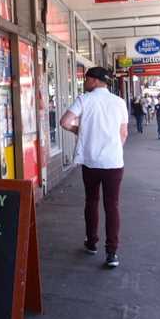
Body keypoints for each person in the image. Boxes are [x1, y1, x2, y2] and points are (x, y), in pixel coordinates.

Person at [60, 67, 129, 268]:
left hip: (90, 162)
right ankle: (112, 253)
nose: (85, 82)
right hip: (114, 162)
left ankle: (91, 243)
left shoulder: (84, 100)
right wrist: (113, 149)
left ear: (95, 81)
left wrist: (79, 131)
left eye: (87, 79)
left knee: (91, 201)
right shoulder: (119, 102)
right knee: (112, 205)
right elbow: (123, 133)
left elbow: (64, 122)